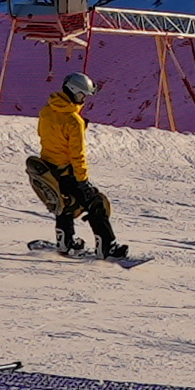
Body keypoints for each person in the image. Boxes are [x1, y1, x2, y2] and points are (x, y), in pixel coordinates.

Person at [31, 72, 129, 260]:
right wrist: (82, 180)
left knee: (65, 202)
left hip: (49, 168)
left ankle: (65, 242)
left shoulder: (47, 110)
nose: (84, 99)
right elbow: (78, 155)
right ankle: (107, 247)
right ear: (74, 92)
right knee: (97, 203)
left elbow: (44, 135)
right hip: (66, 171)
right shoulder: (73, 121)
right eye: (83, 95)